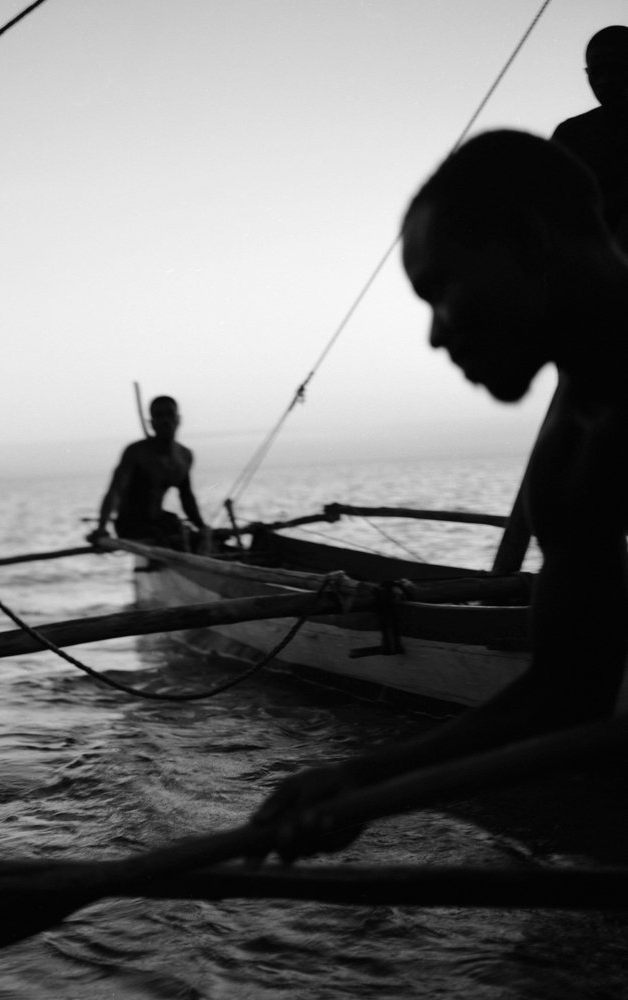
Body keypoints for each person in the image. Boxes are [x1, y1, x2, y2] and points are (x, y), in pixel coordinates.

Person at [250, 129, 628, 861]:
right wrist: (361, 780)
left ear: (524, 239)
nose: (431, 336)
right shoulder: (570, 461)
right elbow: (565, 692)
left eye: (440, 289)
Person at [86, 395, 208, 550]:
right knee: (166, 540)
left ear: (178, 419)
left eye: (169, 414)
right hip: (131, 525)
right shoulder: (136, 453)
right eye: (159, 415)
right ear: (151, 423)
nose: (165, 420)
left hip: (160, 521)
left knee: (196, 540)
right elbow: (115, 491)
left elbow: (187, 497)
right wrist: (102, 527)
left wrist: (202, 527)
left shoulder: (184, 456)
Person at [552, 25, 628, 247]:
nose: (604, 80)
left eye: (615, 68)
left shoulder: (571, 133)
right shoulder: (570, 134)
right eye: (596, 72)